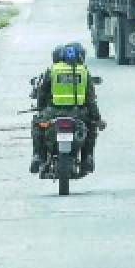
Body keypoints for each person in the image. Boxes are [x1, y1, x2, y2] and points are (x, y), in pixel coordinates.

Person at [30, 42, 105, 174]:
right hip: (78, 113)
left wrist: (40, 108)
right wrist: (97, 119)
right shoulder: (83, 71)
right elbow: (90, 100)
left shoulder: (53, 70)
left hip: (53, 113)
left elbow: (42, 92)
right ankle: (87, 157)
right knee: (91, 127)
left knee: (37, 124)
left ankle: (38, 156)